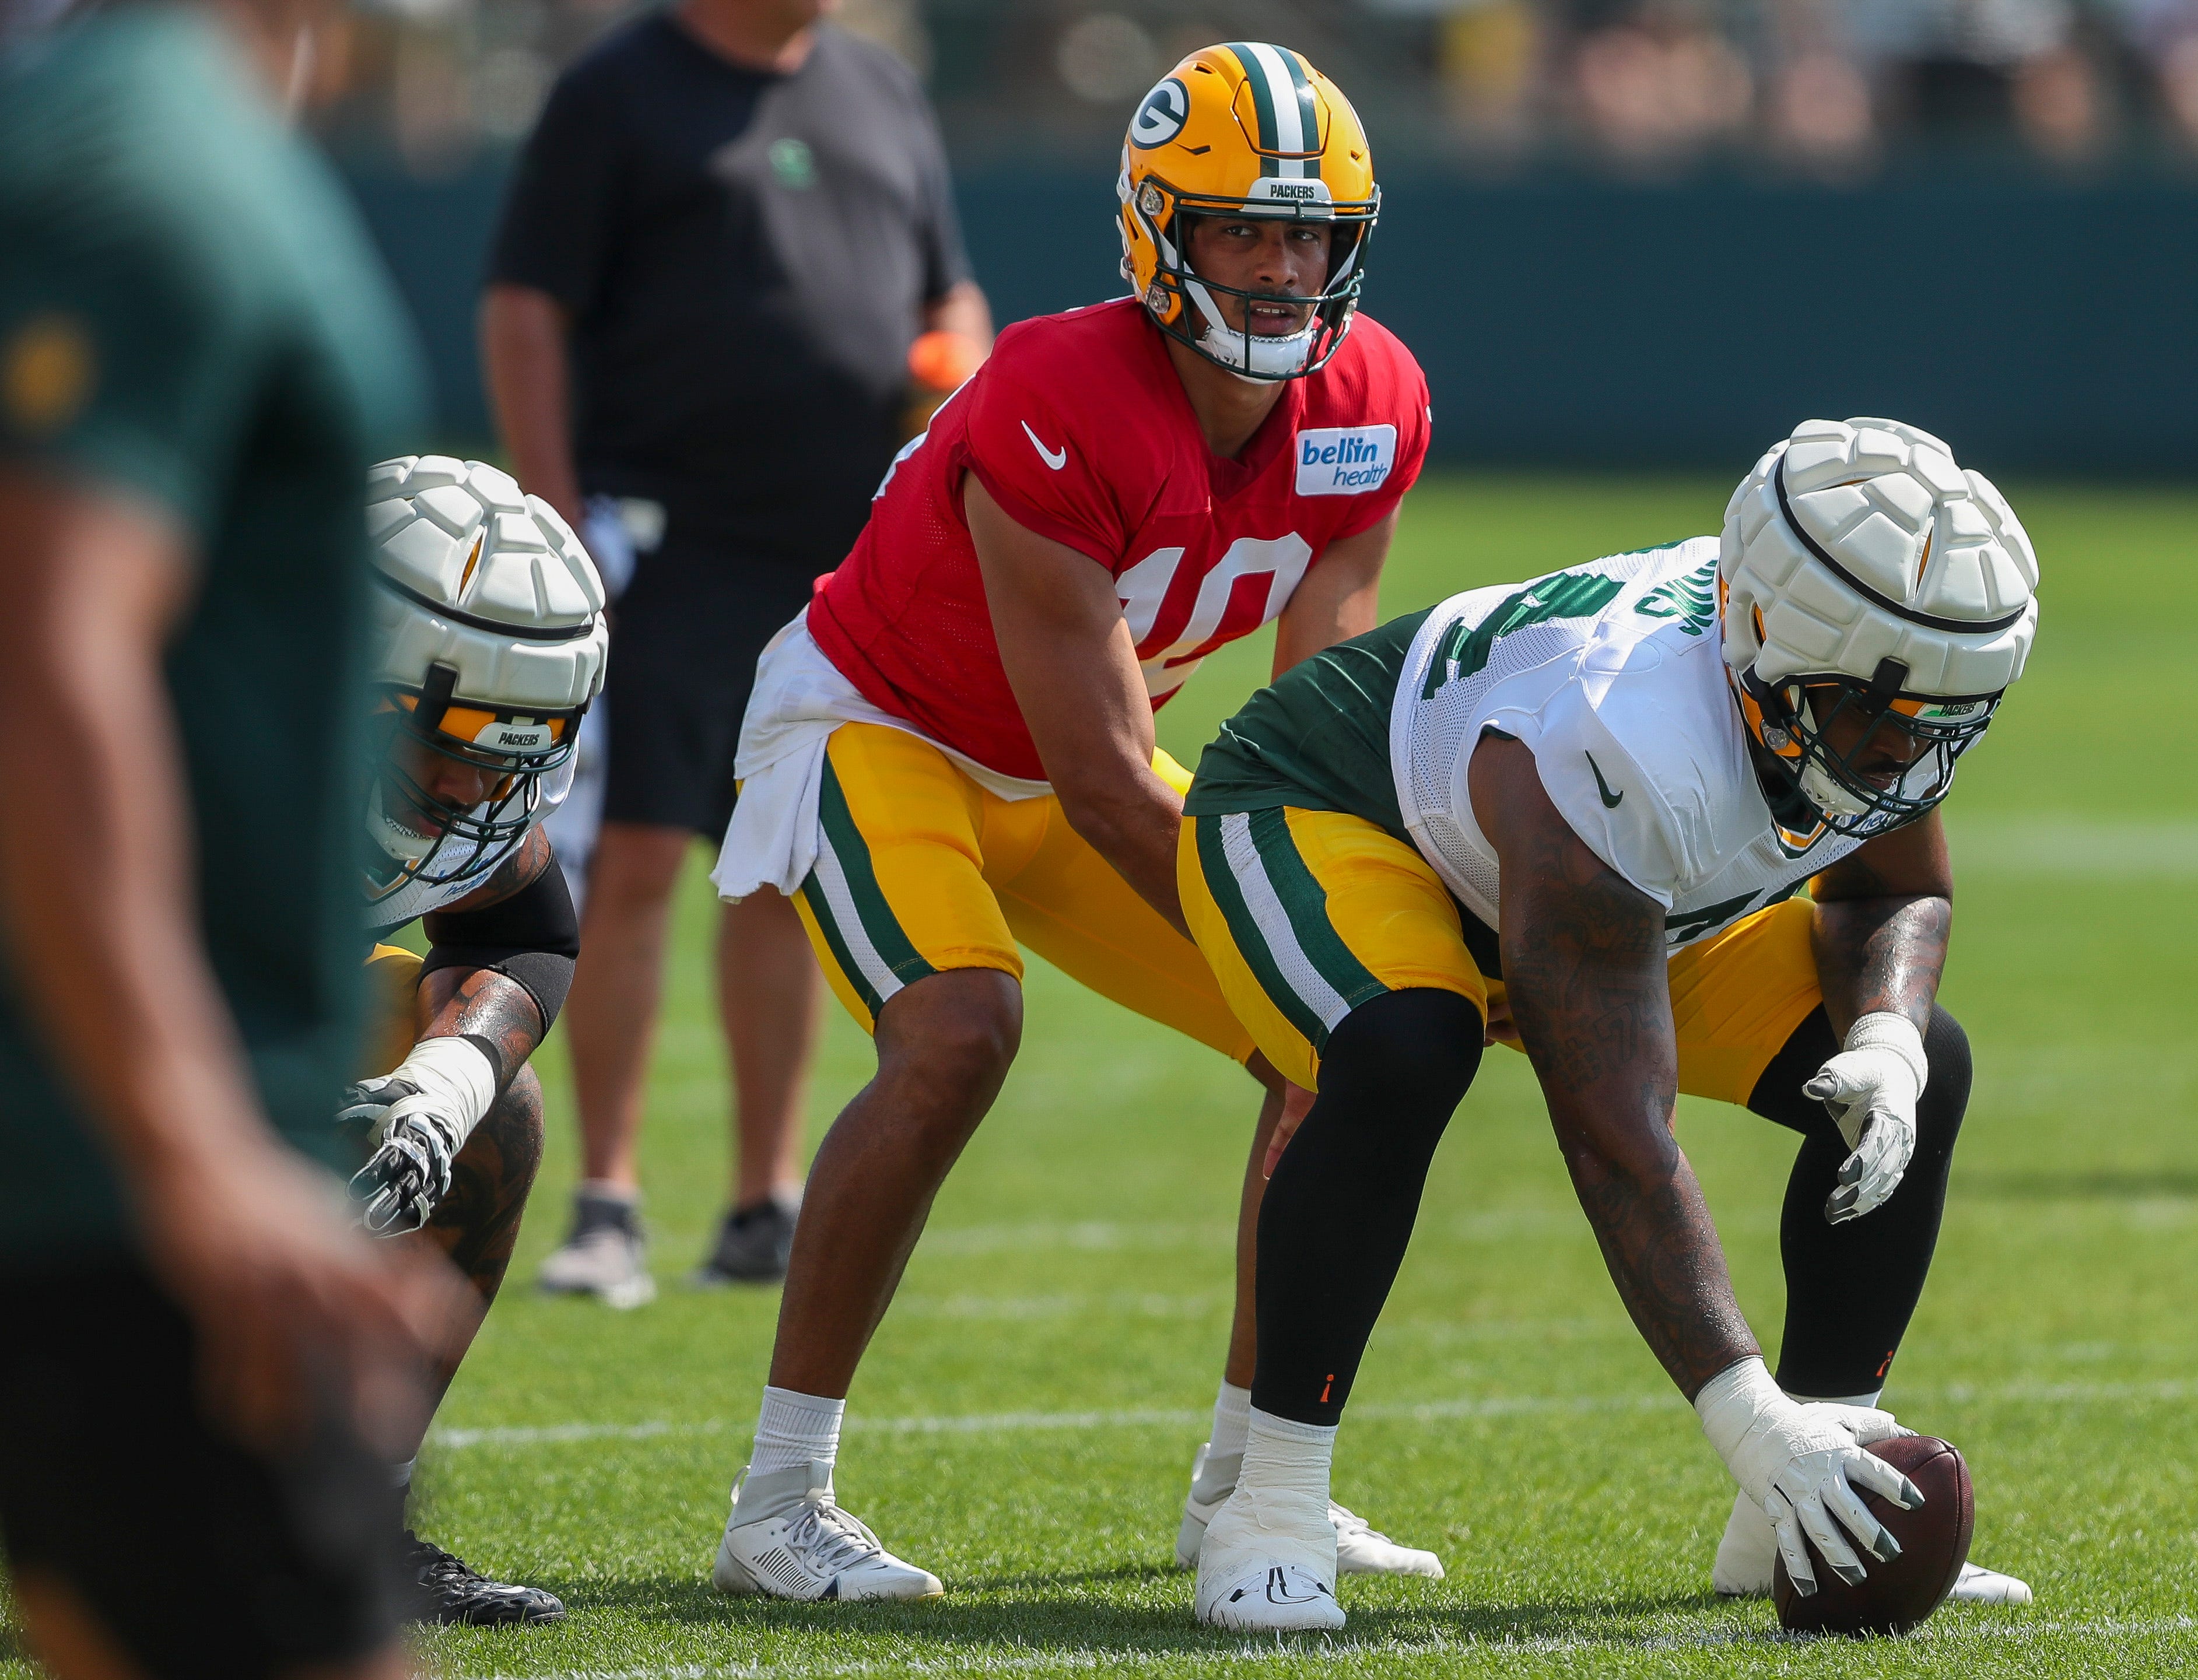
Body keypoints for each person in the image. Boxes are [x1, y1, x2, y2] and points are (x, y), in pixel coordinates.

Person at [706, 42, 1436, 1602]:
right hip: (878, 725)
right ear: (1157, 231)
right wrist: (1293, 936)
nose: (1281, 263)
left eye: (1309, 233)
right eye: (1243, 226)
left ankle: (1248, 1481)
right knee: (960, 1031)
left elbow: (1319, 722)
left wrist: (1360, 922)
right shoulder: (1056, 395)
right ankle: (778, 1503)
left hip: (1055, 768)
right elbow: (1107, 780)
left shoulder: (1370, 401)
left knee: (1336, 1046)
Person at [1173, 416, 2041, 1628]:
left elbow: (1892, 888)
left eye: (1933, 725)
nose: (1900, 754)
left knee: (1920, 1063)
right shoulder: (1626, 722)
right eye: (1871, 718)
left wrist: (1887, 1033)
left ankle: (1812, 1484)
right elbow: (1616, 1137)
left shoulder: (1856, 674)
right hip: (1340, 809)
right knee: (1402, 1047)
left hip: (1619, 887)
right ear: (1758, 643)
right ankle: (1266, 1500)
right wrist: (1744, 1420)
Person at [0, 0, 447, 1673]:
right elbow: (49, 651)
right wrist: (191, 1143)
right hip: (120, 1177)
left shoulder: (144, 140)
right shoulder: (146, 173)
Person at [481, 0, 993, 1302]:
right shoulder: (619, 87)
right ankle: (606, 1196)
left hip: (836, 558)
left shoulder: (878, 89)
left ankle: (762, 1198)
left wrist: (958, 365)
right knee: (638, 854)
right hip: (662, 540)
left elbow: (949, 289)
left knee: (774, 862)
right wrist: (554, 510)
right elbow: (526, 305)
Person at [346, 454, 609, 1622]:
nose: (469, 787)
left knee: (496, 1107)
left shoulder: (475, 792)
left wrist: (444, 1082)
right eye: (442, 738)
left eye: (504, 748)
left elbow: (528, 929)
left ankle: (356, 1518)